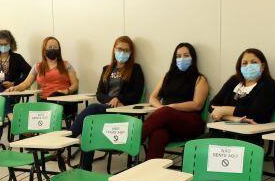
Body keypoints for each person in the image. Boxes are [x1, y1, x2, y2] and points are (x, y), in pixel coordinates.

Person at [191, 48, 275, 181]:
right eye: (244, 63)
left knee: (222, 150)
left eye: (253, 62)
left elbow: (257, 112)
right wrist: (233, 117)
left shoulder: (268, 86)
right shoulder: (234, 81)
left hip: (249, 138)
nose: (248, 66)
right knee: (195, 148)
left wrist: (224, 111)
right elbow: (212, 105)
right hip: (223, 131)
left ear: (263, 65)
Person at [69, 36, 145, 170]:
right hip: (106, 108)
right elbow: (99, 93)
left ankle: (68, 136)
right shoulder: (107, 69)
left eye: (126, 50)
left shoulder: (135, 69)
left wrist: (119, 98)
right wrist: (110, 100)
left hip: (123, 111)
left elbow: (136, 94)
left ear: (131, 52)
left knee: (92, 110)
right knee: (89, 123)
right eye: (120, 49)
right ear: (114, 49)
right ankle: (84, 168)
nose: (122, 52)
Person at [142, 43, 209, 160]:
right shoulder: (167, 76)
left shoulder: (199, 78)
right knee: (158, 134)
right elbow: (152, 97)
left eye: (186, 55)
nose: (182, 59)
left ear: (193, 58)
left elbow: (197, 105)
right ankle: (149, 173)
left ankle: (135, 138)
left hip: (190, 122)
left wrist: (172, 107)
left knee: (166, 111)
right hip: (166, 119)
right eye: (178, 56)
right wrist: (161, 108)